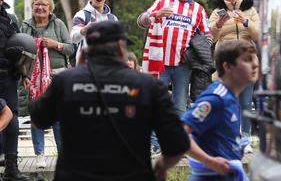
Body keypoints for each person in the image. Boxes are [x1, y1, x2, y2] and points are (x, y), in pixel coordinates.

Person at [28, 21, 190, 181]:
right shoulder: (150, 86)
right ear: (121, 48)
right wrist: (160, 167)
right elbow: (178, 144)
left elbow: (37, 119)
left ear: (86, 51)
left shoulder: (65, 81)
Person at [182, 40, 259, 181]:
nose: (255, 64)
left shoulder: (231, 97)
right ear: (228, 67)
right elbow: (180, 134)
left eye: (255, 58)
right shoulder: (216, 98)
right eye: (247, 60)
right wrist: (209, 161)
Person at [137, 0, 211, 116]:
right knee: (156, 103)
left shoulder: (199, 10)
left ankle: (177, 137)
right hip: (159, 62)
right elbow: (141, 21)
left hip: (183, 65)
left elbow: (207, 36)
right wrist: (156, 15)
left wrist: (198, 53)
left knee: (180, 106)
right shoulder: (162, 1)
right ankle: (154, 139)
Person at [21, 0, 74, 168]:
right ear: (33, 6)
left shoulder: (58, 24)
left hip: (56, 78)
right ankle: (39, 155)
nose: (40, 7)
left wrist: (54, 44)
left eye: (44, 4)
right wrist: (23, 74)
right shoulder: (25, 26)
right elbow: (19, 51)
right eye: (37, 4)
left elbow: (70, 48)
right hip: (33, 78)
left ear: (50, 7)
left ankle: (62, 155)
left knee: (58, 117)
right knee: (37, 115)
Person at [209, 0, 260, 154]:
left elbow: (259, 35)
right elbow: (211, 37)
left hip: (246, 62)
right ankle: (230, 139)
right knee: (229, 103)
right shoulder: (217, 12)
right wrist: (218, 26)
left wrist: (246, 22)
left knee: (246, 103)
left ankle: (245, 140)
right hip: (226, 63)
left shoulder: (250, 11)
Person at [0, 0, 31, 181]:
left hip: (8, 78)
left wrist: (25, 73)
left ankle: (11, 168)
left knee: (13, 121)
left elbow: (23, 50)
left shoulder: (11, 19)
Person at [70, 0, 118, 66]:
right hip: (85, 67)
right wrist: (83, 31)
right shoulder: (82, 15)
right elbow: (73, 37)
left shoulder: (113, 19)